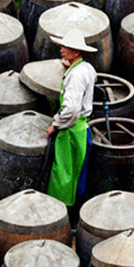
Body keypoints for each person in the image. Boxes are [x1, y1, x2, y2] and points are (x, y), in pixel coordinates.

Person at [46, 28, 97, 209]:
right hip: (83, 129)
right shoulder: (86, 68)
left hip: (72, 132)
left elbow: (72, 109)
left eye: (66, 47)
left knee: (65, 175)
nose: (61, 49)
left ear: (76, 52)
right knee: (78, 171)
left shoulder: (76, 76)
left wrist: (55, 125)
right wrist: (70, 66)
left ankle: (64, 211)